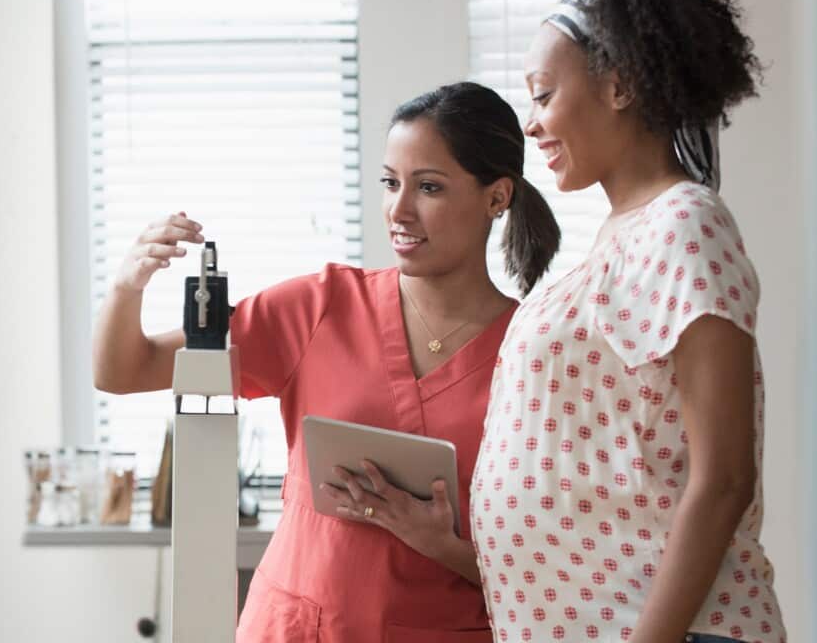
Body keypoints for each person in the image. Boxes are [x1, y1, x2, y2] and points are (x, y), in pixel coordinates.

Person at [93, 82, 560, 641]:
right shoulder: (319, 307)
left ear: (497, 197)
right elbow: (124, 371)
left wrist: (443, 546)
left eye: (429, 187)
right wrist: (127, 285)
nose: (399, 210)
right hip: (294, 627)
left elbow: (550, 579)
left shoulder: (535, 351)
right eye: (390, 183)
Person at [471, 0, 787, 643]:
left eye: (545, 94)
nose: (532, 124)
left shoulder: (685, 224)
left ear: (619, 86)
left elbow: (725, 477)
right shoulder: (625, 234)